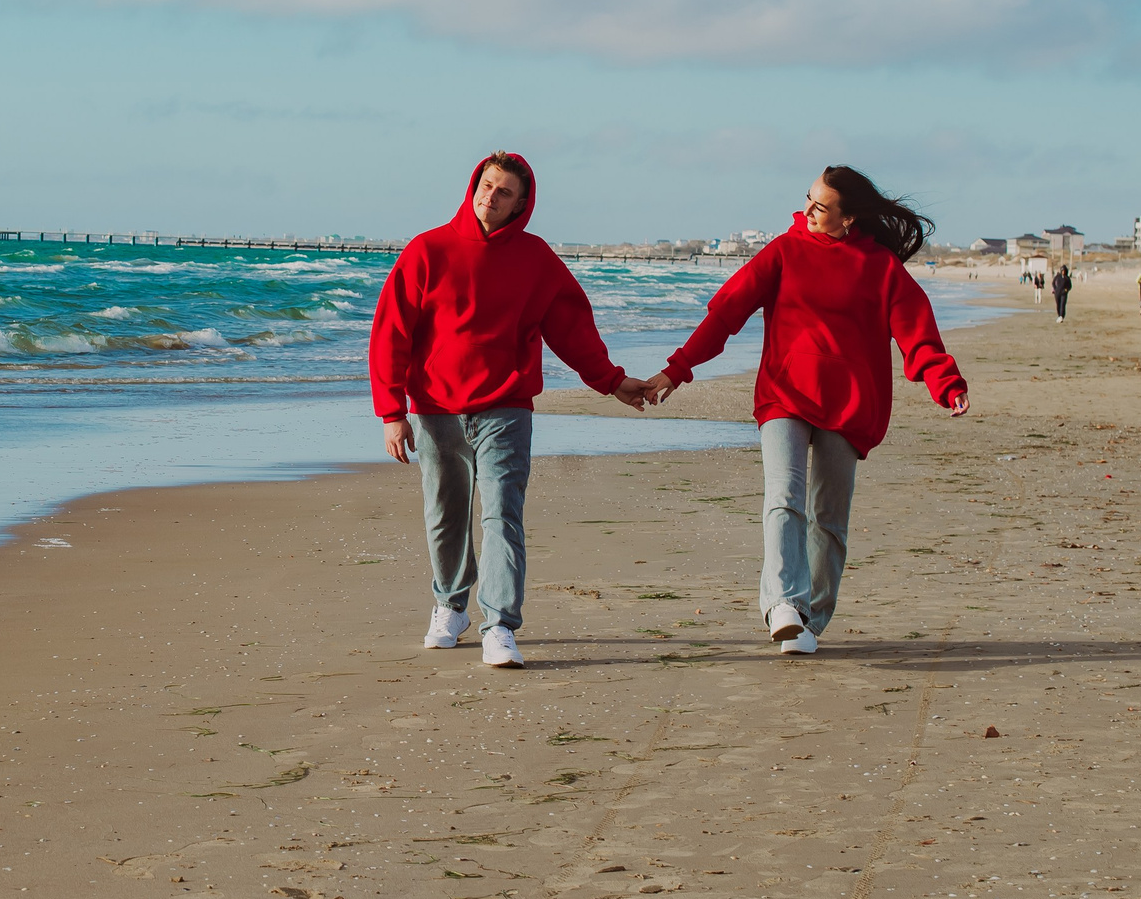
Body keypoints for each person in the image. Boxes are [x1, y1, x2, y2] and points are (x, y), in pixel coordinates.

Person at [652, 166, 969, 656]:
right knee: (784, 496)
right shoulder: (784, 250)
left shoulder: (880, 267)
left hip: (850, 404)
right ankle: (782, 603)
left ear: (849, 218)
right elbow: (726, 313)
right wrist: (678, 369)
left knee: (828, 520)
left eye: (820, 207)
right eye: (808, 201)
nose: (807, 212)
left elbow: (916, 331)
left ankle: (809, 620)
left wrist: (945, 384)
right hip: (786, 394)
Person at [370, 153, 656, 669]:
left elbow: (571, 329)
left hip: (506, 406)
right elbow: (391, 331)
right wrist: (392, 412)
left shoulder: (535, 258)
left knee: (503, 513)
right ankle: (450, 606)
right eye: (486, 185)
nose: (490, 197)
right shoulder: (427, 250)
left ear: (521, 203)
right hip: (436, 408)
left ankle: (499, 625)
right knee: (446, 515)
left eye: (504, 192)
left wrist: (612, 382)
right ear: (473, 185)